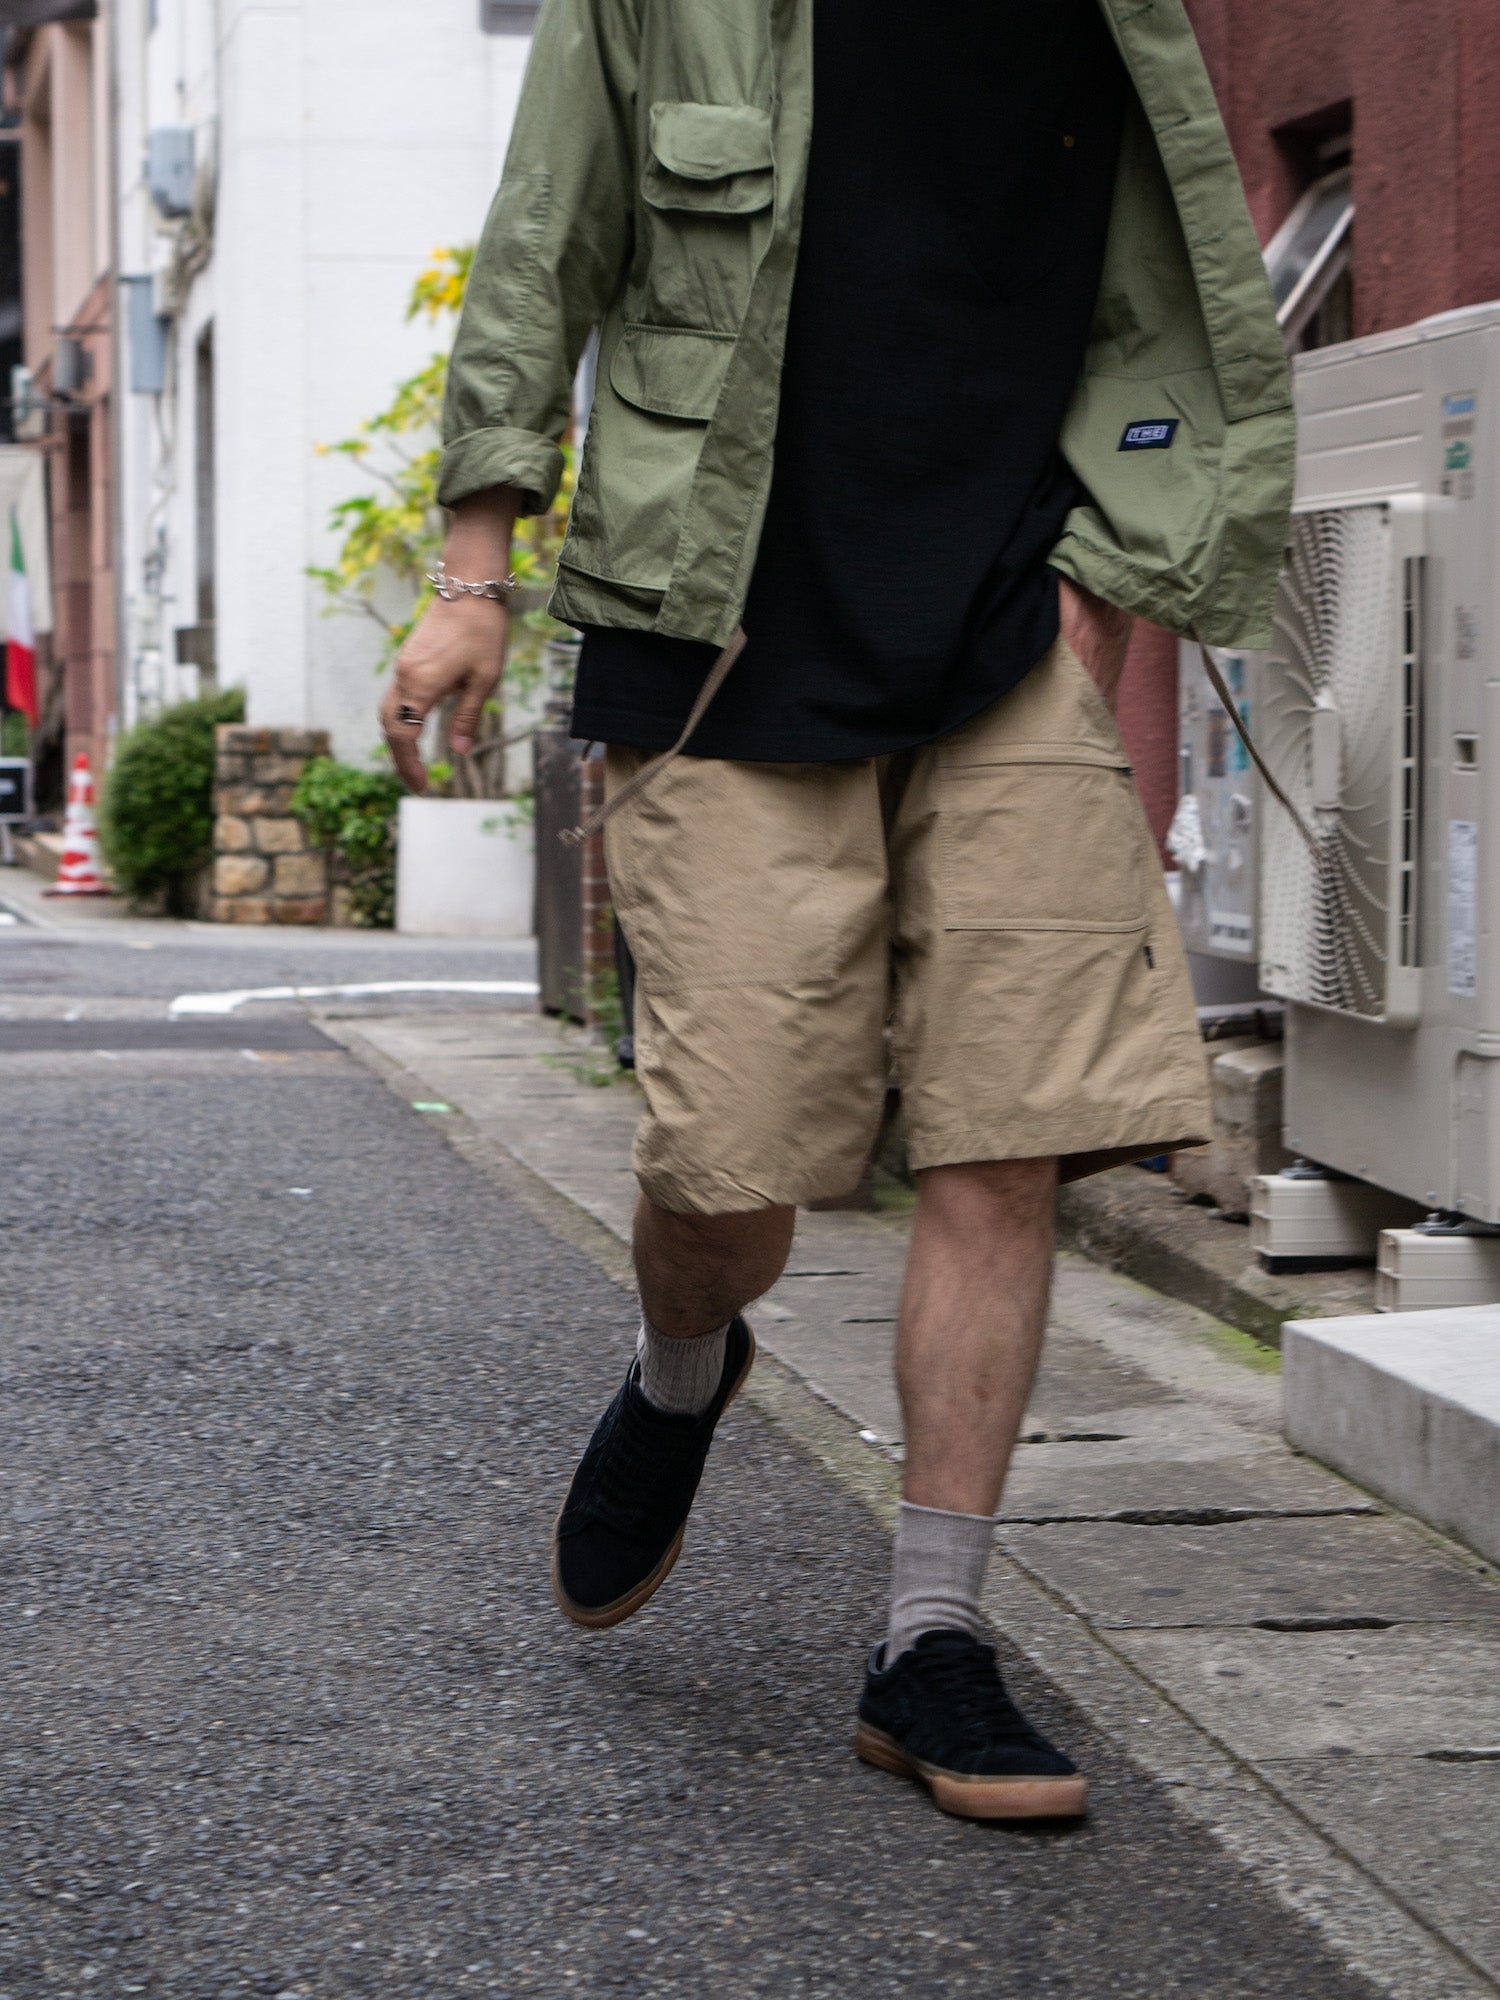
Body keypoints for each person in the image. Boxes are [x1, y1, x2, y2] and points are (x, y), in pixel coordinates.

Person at [382, 0, 1292, 1821]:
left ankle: (931, 1640)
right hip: (715, 620)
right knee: (730, 1167)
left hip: (1013, 626)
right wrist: (476, 571)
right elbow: (549, 236)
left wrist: (1109, 574)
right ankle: (683, 1363)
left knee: (1005, 1137)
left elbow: (1158, 264)